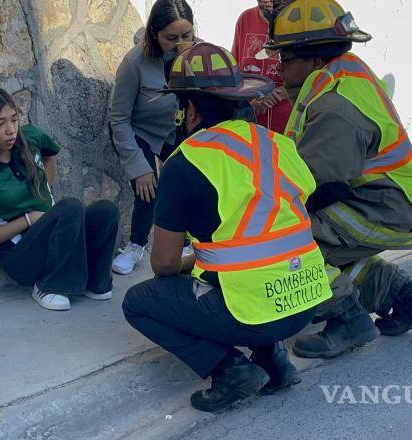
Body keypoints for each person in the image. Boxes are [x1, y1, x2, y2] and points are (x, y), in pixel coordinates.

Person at [122, 43, 334, 413]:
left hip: (251, 313)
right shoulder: (278, 144)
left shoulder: (184, 161)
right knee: (238, 277)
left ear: (188, 109)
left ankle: (231, 370)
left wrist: (197, 260)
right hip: (306, 300)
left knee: (138, 303)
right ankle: (274, 362)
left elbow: (165, 265)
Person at [263, 0, 412, 359]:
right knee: (329, 247)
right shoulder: (340, 73)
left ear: (312, 58)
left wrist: (264, 217)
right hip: (387, 198)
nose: (278, 67)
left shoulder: (334, 105)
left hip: (384, 206)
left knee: (287, 244)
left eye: (284, 58)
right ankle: (404, 296)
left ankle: (347, 320)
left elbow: (317, 183)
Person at [0, 87, 119, 311]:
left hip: (54, 236)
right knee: (70, 207)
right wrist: (29, 219)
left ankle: (95, 283)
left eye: (14, 120)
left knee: (105, 211)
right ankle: (49, 286)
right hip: (20, 254)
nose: (10, 130)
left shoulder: (30, 137)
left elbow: (51, 155)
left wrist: (46, 193)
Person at [109, 0, 195, 275]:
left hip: (176, 129)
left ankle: (186, 243)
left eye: (186, 35)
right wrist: (139, 168)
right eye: (171, 38)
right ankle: (136, 245)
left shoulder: (202, 54)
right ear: (155, 34)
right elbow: (119, 118)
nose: (180, 44)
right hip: (140, 132)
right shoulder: (134, 63)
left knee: (185, 183)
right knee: (148, 189)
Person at [232, 0, 292, 132]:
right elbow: (233, 77)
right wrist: (251, 102)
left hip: (288, 128)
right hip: (250, 128)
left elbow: (314, 76)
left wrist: (281, 93)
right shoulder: (245, 19)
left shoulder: (299, 21)